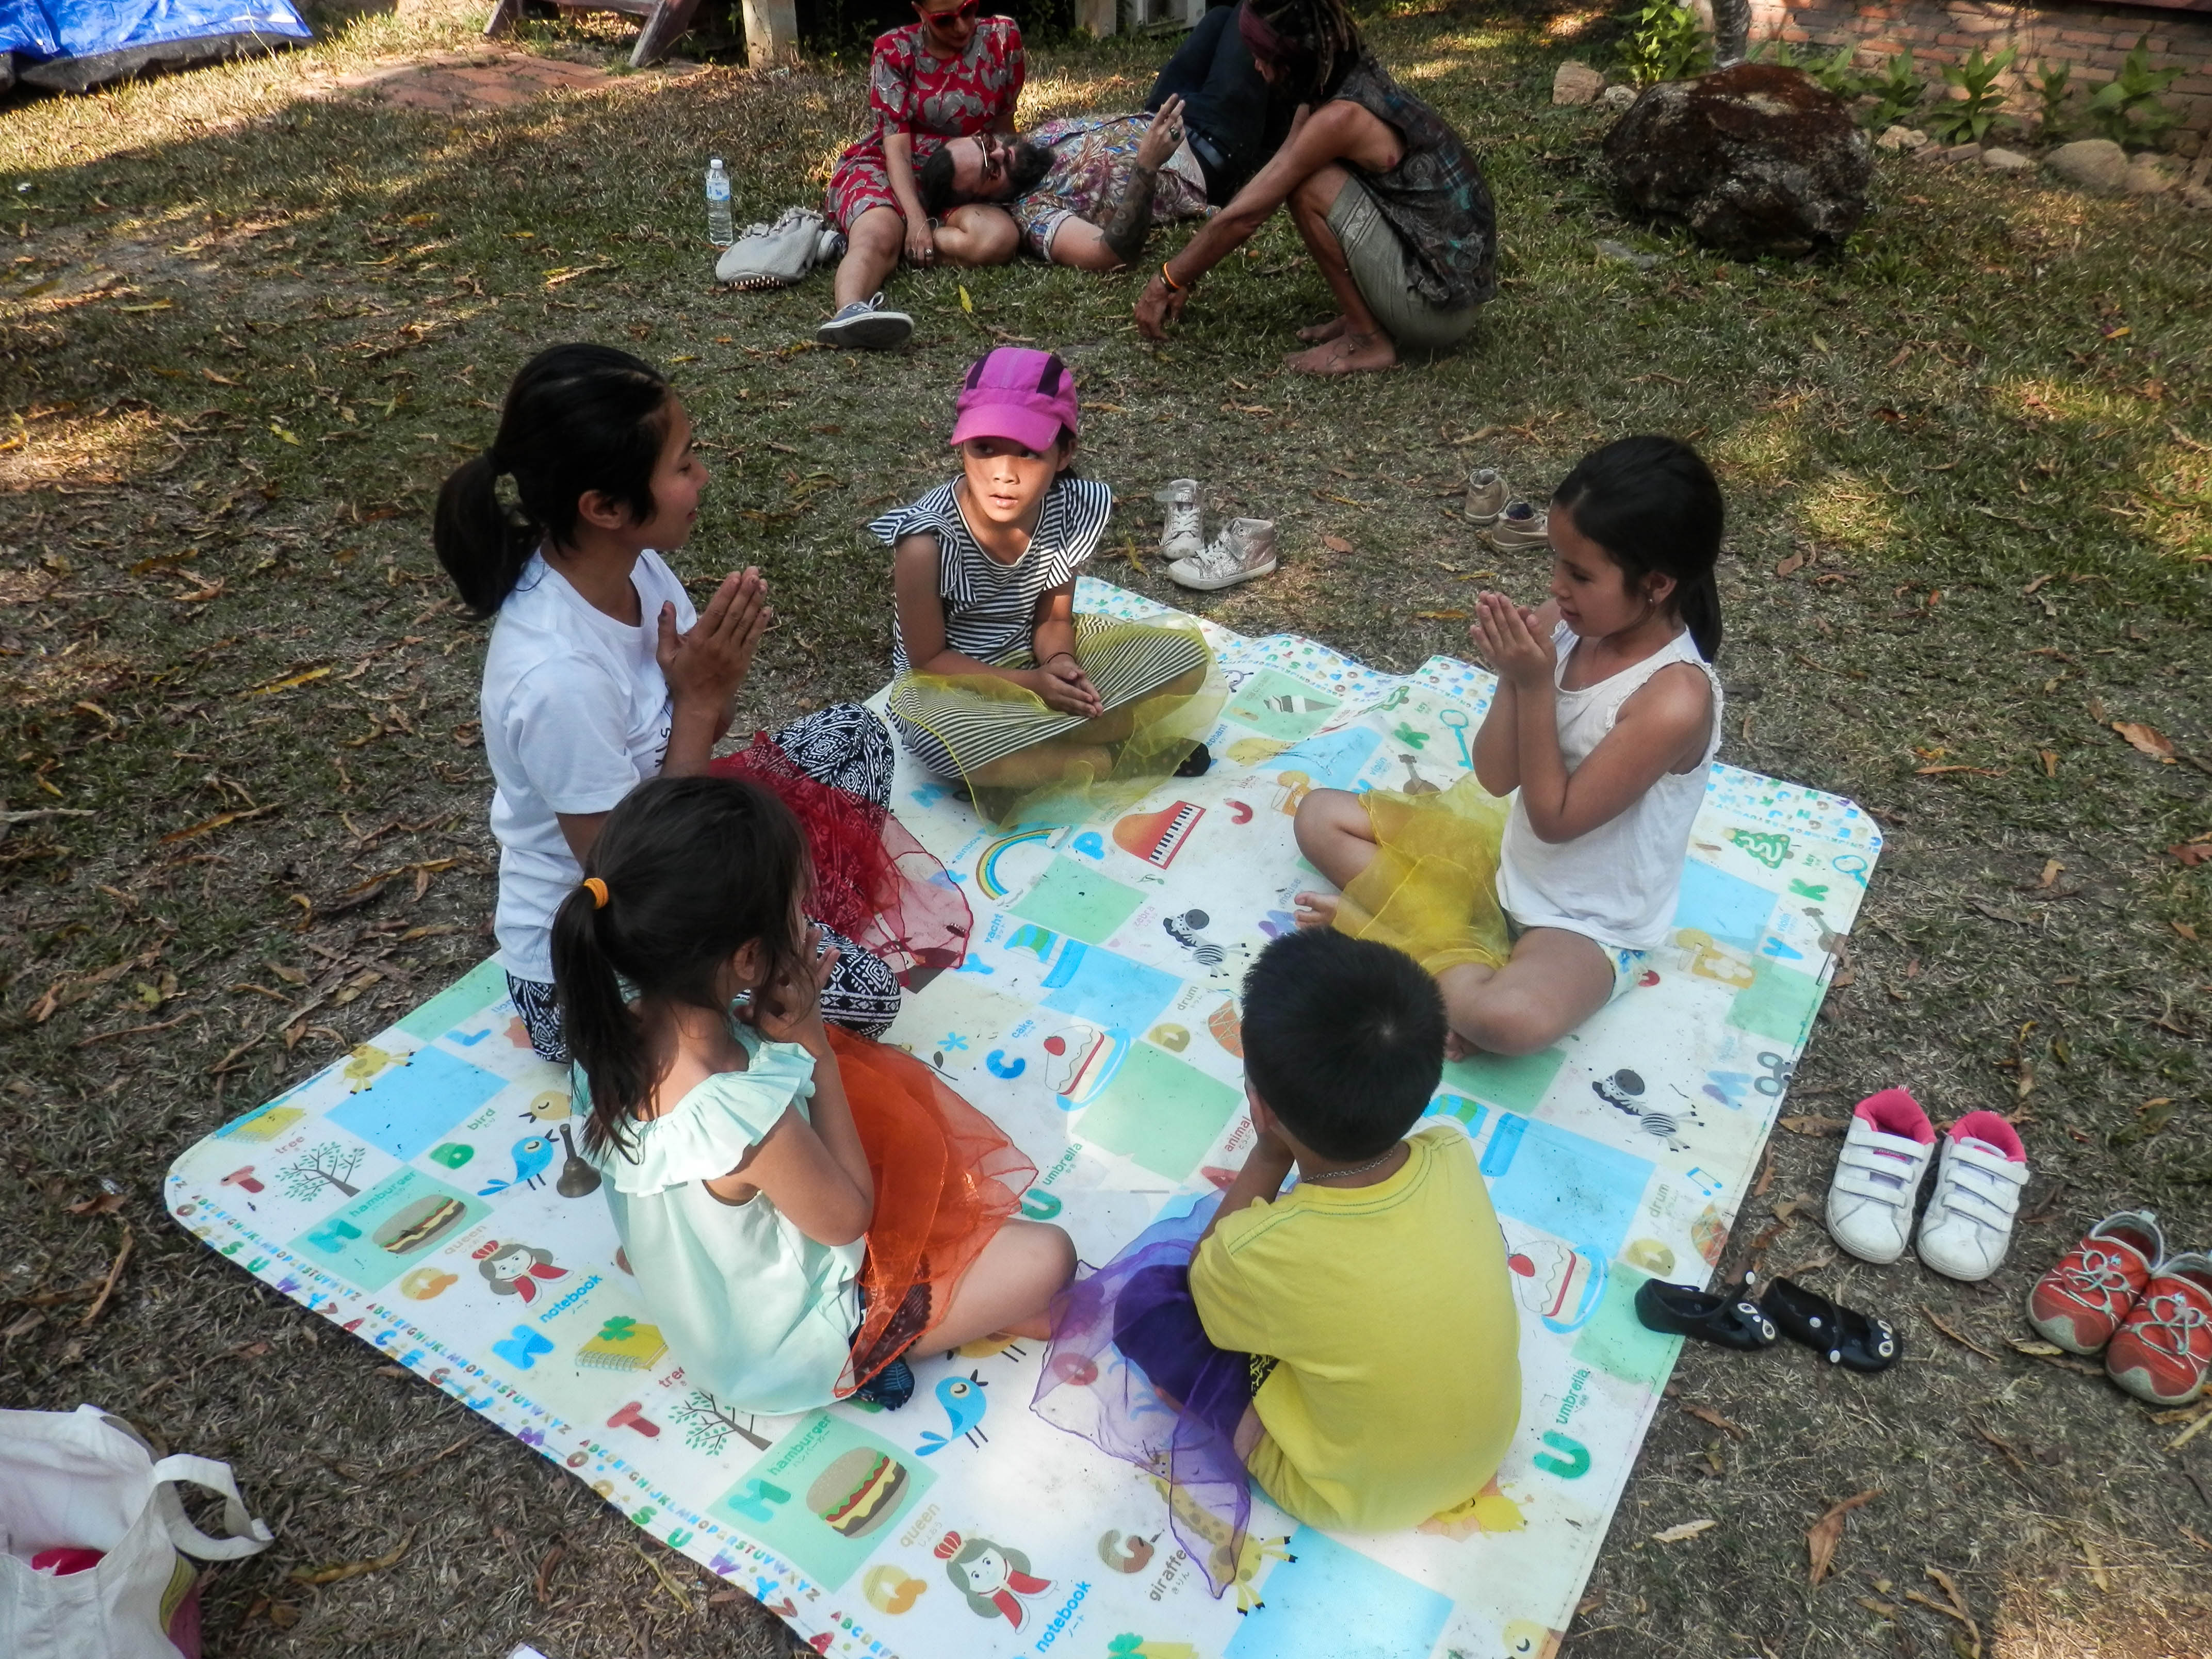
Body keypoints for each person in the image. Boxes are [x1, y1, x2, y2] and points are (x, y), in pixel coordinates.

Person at [433, 344, 937, 1065]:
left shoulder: (636, 566)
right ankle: (759, 948)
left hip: (675, 828)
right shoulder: (555, 678)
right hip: (604, 953)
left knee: (855, 735)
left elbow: (696, 737)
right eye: (682, 465)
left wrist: (710, 693)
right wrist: (699, 703)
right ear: (605, 507)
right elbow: (636, 881)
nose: (702, 476)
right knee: (870, 995)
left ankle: (781, 918)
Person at [557, 775, 1074, 1412]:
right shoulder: (742, 1117)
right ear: (749, 959)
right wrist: (814, 1047)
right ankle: (883, 1354)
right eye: (800, 909)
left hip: (709, 1307)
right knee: (1047, 1257)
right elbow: (849, 1220)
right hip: (790, 1352)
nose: (809, 924)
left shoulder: (607, 1031)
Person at [1035, 928, 1521, 1584]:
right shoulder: (1452, 1150)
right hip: (1485, 1449)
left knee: (1149, 1304)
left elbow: (1200, 1286)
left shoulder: (1256, 1248)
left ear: (1260, 1105)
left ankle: (1245, 1430)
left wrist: (1268, 1153)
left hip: (1346, 1496)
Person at [1293, 435, 1727, 1058]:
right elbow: (1495, 777)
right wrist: (1511, 675)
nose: (1557, 587)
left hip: (1584, 921)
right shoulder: (1567, 624)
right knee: (1319, 817)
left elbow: (1556, 820)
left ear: (1656, 583)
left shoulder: (1673, 699)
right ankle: (1446, 959)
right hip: (1508, 867)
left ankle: (1389, 935)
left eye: (1579, 575)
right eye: (1556, 563)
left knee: (1508, 1022)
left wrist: (1534, 685)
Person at [874, 346, 1221, 823]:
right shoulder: (925, 542)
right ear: (962, 446)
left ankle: (1042, 758)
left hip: (1032, 653)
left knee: (1186, 662)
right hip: (953, 684)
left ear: (1065, 454)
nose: (1004, 473)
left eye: (1029, 453)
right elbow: (929, 660)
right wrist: (1033, 688)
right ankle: (1112, 759)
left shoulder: (1068, 509)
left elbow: (1055, 618)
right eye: (985, 448)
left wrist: (1061, 665)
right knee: (947, 744)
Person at [1132, 0, 1498, 375]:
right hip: (1450, 286)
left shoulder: (1339, 118)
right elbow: (1269, 177)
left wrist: (1168, 278)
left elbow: (1249, 216)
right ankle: (1368, 314)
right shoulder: (1340, 78)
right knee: (1294, 175)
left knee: (1309, 185)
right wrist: (1187, 271)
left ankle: (1366, 339)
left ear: (1290, 61)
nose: (1255, 66)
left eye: (1261, 57)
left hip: (1437, 310)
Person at [818, 0, 1029, 350]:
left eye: (968, 11)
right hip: (893, 165)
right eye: (945, 20)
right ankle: (851, 312)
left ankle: (896, 244)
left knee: (998, 239)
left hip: (961, 177)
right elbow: (897, 149)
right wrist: (915, 217)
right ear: (920, 11)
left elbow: (1005, 128)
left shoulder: (1003, 38)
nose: (961, 27)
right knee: (877, 234)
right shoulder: (894, 50)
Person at [920, 99, 1212, 271]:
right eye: (991, 170)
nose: (1000, 153)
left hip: (1165, 107)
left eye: (986, 143)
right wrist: (1146, 166)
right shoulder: (1036, 215)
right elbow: (1110, 255)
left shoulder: (1027, 150)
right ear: (983, 202)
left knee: (1223, 20)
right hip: (1202, 150)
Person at [1145, 0, 1292, 203]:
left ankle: (1272, 133)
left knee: (1219, 16)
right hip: (1206, 144)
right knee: (1253, 14)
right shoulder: (1099, 204)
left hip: (1154, 119)